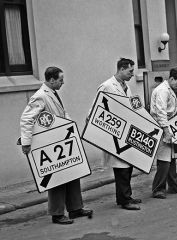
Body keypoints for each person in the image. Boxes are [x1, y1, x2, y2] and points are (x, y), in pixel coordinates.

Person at [20, 67, 93, 224]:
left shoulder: (53, 94)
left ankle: (75, 209)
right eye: (60, 80)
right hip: (51, 144)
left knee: (72, 173)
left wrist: (71, 129)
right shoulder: (40, 96)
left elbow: (62, 113)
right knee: (57, 178)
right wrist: (26, 143)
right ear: (51, 80)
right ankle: (57, 213)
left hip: (63, 141)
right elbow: (27, 119)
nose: (63, 82)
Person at [93, 58, 141, 210]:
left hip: (126, 132)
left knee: (128, 166)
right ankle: (124, 200)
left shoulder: (126, 87)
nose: (132, 75)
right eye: (130, 71)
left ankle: (127, 196)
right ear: (121, 69)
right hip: (115, 132)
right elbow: (96, 107)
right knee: (121, 168)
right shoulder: (107, 86)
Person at [150, 68, 177, 199]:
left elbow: (167, 109)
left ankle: (174, 185)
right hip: (161, 127)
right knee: (164, 160)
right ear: (172, 78)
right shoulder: (163, 90)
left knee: (171, 158)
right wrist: (167, 131)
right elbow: (160, 112)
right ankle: (158, 189)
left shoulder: (168, 89)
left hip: (166, 125)